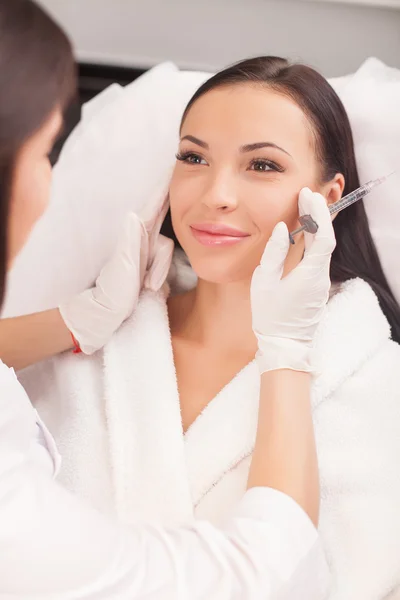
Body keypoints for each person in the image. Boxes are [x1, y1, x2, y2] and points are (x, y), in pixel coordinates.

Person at [19, 55, 400, 600]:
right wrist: (71, 325)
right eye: (193, 157)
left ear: (329, 197)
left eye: (262, 165)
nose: (215, 193)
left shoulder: (380, 389)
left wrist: (287, 351)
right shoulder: (85, 355)